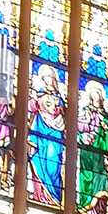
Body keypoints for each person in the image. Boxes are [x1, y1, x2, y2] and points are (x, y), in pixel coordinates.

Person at [28, 65, 66, 205]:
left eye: (51, 78)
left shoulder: (59, 98)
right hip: (40, 131)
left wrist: (57, 108)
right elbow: (32, 106)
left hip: (55, 134)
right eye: (46, 78)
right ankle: (39, 195)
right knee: (38, 160)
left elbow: (62, 113)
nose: (49, 80)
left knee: (52, 165)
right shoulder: (40, 94)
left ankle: (55, 198)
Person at [77, 81, 108, 214]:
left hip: (99, 149)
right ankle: (85, 202)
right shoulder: (85, 111)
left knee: (100, 175)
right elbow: (79, 127)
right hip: (86, 147)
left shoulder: (105, 115)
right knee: (86, 174)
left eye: (97, 93)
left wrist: (106, 127)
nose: (95, 96)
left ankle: (98, 209)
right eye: (93, 93)